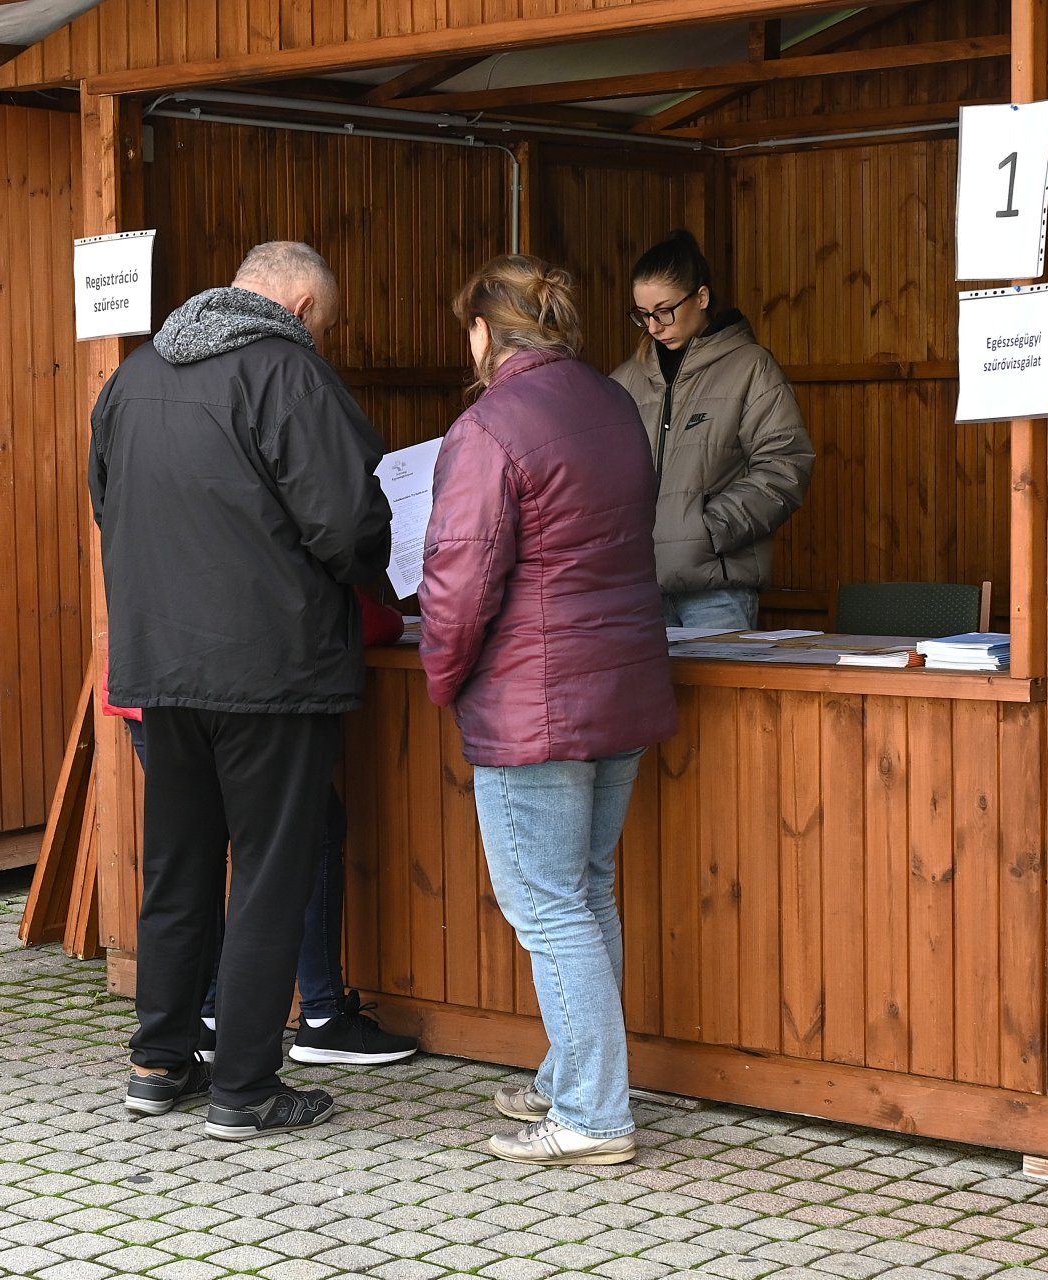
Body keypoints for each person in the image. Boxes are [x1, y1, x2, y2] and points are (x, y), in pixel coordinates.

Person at [89, 242, 394, 1141]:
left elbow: (106, 502)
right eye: (323, 325)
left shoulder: (134, 377)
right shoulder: (289, 374)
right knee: (269, 871)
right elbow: (349, 524)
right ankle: (247, 1087)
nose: (320, 339)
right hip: (271, 669)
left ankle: (159, 1061)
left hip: (162, 666)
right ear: (300, 309)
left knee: (178, 866)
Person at [420, 255, 678, 1167]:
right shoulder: (611, 402)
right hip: (621, 681)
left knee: (548, 907)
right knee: (587, 892)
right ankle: (573, 1076)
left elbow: (458, 580)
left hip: (535, 699)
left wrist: (443, 675)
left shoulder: (489, 425)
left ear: (484, 333)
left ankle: (593, 1115)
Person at [106, 594, 419, 1071]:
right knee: (303, 838)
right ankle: (319, 1015)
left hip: (151, 688)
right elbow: (346, 615)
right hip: (237, 694)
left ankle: (205, 1022)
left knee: (193, 858)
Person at [609, 230, 814, 632]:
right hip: (638, 589)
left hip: (717, 589)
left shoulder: (750, 367)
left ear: (701, 297)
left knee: (722, 679)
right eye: (643, 314)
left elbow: (786, 466)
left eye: (664, 311)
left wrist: (709, 530)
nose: (653, 326)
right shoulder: (624, 381)